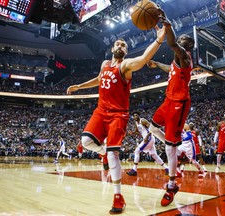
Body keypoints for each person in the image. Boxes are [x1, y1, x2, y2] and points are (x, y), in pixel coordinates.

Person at [66, 24, 166, 214]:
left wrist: (159, 38)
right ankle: (102, 151)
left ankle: (118, 197)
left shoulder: (125, 66)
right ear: (112, 49)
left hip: (118, 115)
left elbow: (144, 58)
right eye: (118, 44)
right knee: (85, 141)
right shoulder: (105, 64)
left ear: (125, 51)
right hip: (101, 111)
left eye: (124, 45)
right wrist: (79, 86)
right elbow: (98, 79)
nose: (120, 46)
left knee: (113, 154)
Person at [147, 11, 194, 207]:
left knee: (168, 147)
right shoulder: (176, 62)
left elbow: (172, 43)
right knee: (151, 127)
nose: (179, 38)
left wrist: (168, 25)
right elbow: (170, 69)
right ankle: (172, 142)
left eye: (183, 38)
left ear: (188, 45)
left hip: (179, 103)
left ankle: (172, 184)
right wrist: (157, 63)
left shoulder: (185, 56)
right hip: (168, 101)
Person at [126, 111, 169, 176]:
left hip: (149, 138)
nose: (135, 117)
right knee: (154, 156)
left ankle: (134, 170)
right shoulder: (136, 123)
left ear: (139, 116)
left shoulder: (143, 120)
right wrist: (133, 133)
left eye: (136, 115)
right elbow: (138, 132)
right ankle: (167, 168)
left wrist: (147, 136)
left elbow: (152, 128)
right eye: (134, 116)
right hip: (147, 139)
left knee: (137, 151)